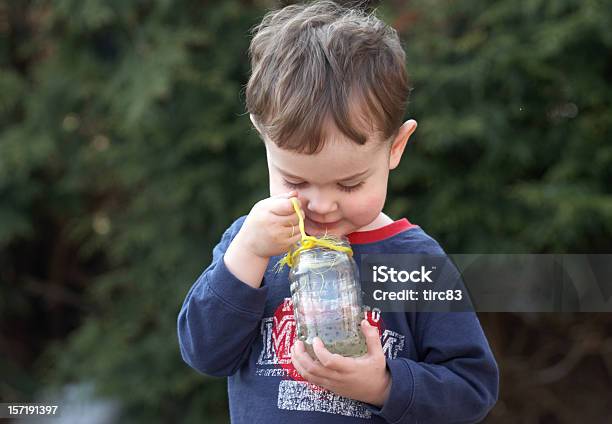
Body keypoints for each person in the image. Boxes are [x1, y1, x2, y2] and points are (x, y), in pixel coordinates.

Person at [177, 1, 499, 422]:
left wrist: (383, 385)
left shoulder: (416, 263)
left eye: (349, 184)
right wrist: (249, 255)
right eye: (295, 181)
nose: (323, 205)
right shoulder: (252, 244)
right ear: (262, 137)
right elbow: (204, 353)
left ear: (395, 148)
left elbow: (472, 390)